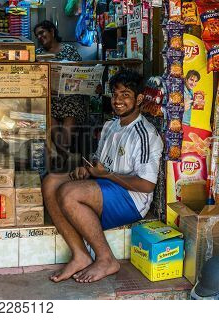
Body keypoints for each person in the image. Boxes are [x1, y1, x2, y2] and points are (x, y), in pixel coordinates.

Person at [41, 69, 163, 283]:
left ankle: (106, 259)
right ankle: (80, 255)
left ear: (140, 99)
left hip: (132, 199)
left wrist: (106, 174)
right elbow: (98, 162)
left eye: (125, 95)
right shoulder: (111, 125)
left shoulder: (145, 134)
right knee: (51, 181)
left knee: (69, 193)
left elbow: (146, 185)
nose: (118, 100)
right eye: (115, 95)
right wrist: (87, 170)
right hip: (106, 185)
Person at [34, 20, 85, 167]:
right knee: (51, 122)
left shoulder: (69, 50)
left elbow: (81, 72)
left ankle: (62, 158)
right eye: (37, 35)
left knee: (68, 129)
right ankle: (64, 158)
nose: (40, 37)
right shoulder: (38, 54)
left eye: (42, 32)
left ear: (52, 31)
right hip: (50, 99)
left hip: (70, 98)